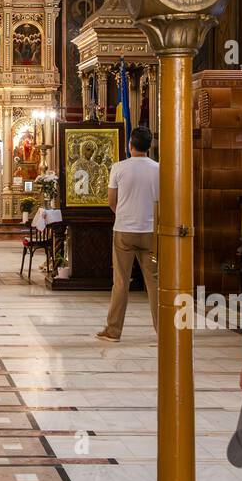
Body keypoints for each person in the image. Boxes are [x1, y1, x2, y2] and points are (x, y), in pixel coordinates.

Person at [97, 125, 159, 341]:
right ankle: (163, 332)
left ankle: (113, 331)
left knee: (121, 281)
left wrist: (125, 213)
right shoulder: (158, 169)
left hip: (124, 230)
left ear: (130, 145)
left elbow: (111, 201)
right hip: (151, 231)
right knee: (154, 281)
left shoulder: (118, 167)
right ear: (149, 147)